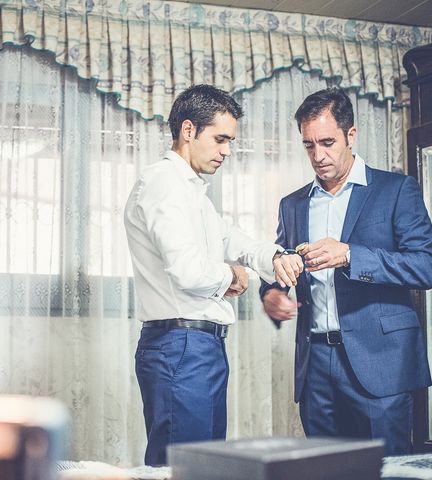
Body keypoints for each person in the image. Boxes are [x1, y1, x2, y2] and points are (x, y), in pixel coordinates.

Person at [124, 84, 302, 466]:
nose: (227, 151)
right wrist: (237, 277)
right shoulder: (164, 184)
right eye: (220, 139)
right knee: (186, 470)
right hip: (181, 347)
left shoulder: (191, 192)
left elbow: (230, 238)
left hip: (195, 348)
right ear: (188, 131)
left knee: (204, 468)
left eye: (230, 141)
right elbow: (189, 271)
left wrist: (275, 257)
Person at [260, 87, 432, 456]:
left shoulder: (397, 190)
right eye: (308, 145)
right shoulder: (291, 204)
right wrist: (273, 295)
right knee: (325, 470)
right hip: (316, 366)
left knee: (387, 472)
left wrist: (351, 255)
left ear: (350, 135)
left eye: (327, 142)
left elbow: (425, 265)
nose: (318, 156)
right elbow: (279, 268)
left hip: (381, 363)